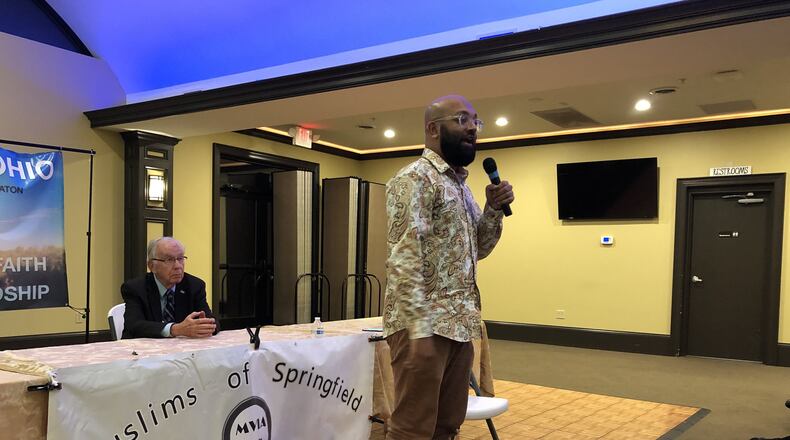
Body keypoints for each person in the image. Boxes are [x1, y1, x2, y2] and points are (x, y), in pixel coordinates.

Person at [383, 95, 514, 439]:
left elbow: (478, 249)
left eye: (476, 121)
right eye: (461, 119)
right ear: (432, 129)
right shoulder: (415, 178)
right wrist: (419, 330)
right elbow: (404, 256)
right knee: (413, 427)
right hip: (423, 328)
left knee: (447, 424)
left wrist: (493, 209)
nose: (472, 127)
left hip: (458, 326)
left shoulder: (460, 187)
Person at [120, 237, 219, 339]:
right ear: (151, 266)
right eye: (169, 260)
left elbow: (211, 321)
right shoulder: (135, 288)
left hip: (182, 351)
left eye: (180, 258)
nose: (178, 266)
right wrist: (175, 329)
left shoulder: (195, 286)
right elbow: (134, 325)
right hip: (141, 351)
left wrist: (206, 325)